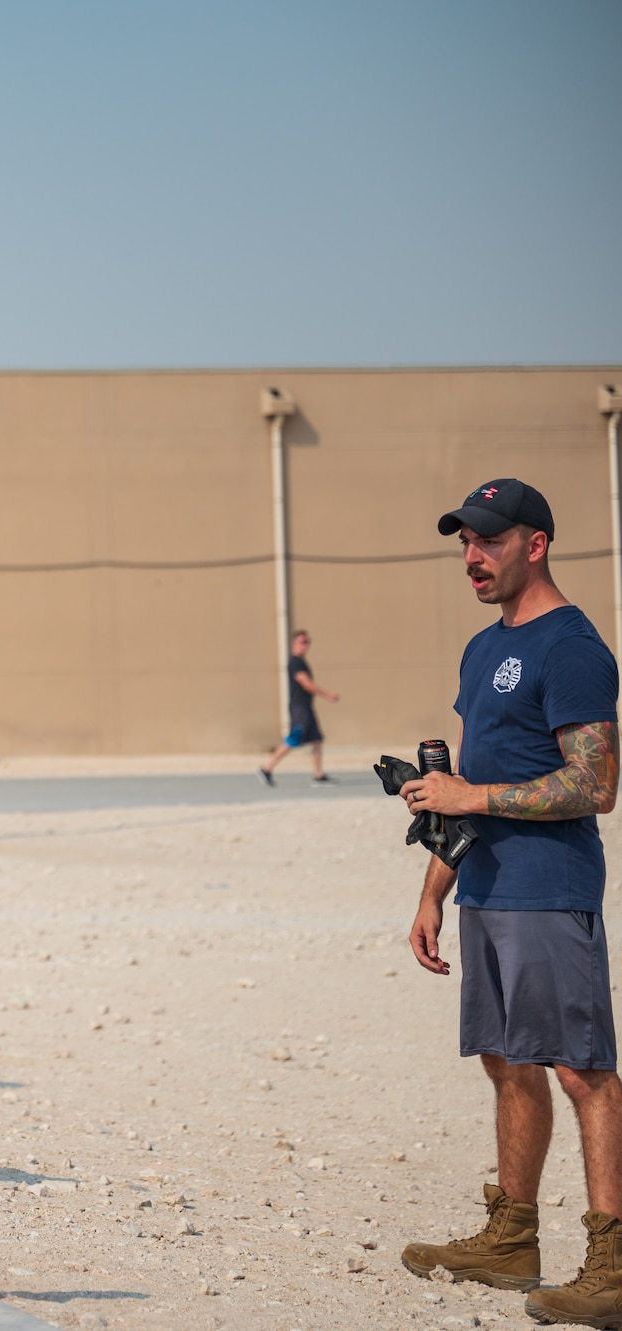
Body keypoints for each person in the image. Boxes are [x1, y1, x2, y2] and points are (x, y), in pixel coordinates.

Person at [397, 479, 622, 1323]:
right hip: (484, 888)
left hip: (549, 891)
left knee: (583, 1069)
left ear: (537, 543)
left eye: (488, 541)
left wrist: (471, 800)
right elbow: (465, 780)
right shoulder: (481, 648)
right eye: (464, 542)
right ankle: (512, 1239)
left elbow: (596, 784)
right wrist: (432, 889)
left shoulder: (573, 647)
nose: (471, 557)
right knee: (505, 1058)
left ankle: (612, 1260)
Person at [258, 629, 341, 786]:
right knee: (294, 739)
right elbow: (306, 684)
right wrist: (328, 695)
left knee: (317, 739)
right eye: (302, 642)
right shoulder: (295, 662)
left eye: (307, 642)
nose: (305, 645)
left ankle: (318, 775)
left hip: (307, 707)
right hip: (299, 708)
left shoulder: (302, 661)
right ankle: (266, 768)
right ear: (294, 644)